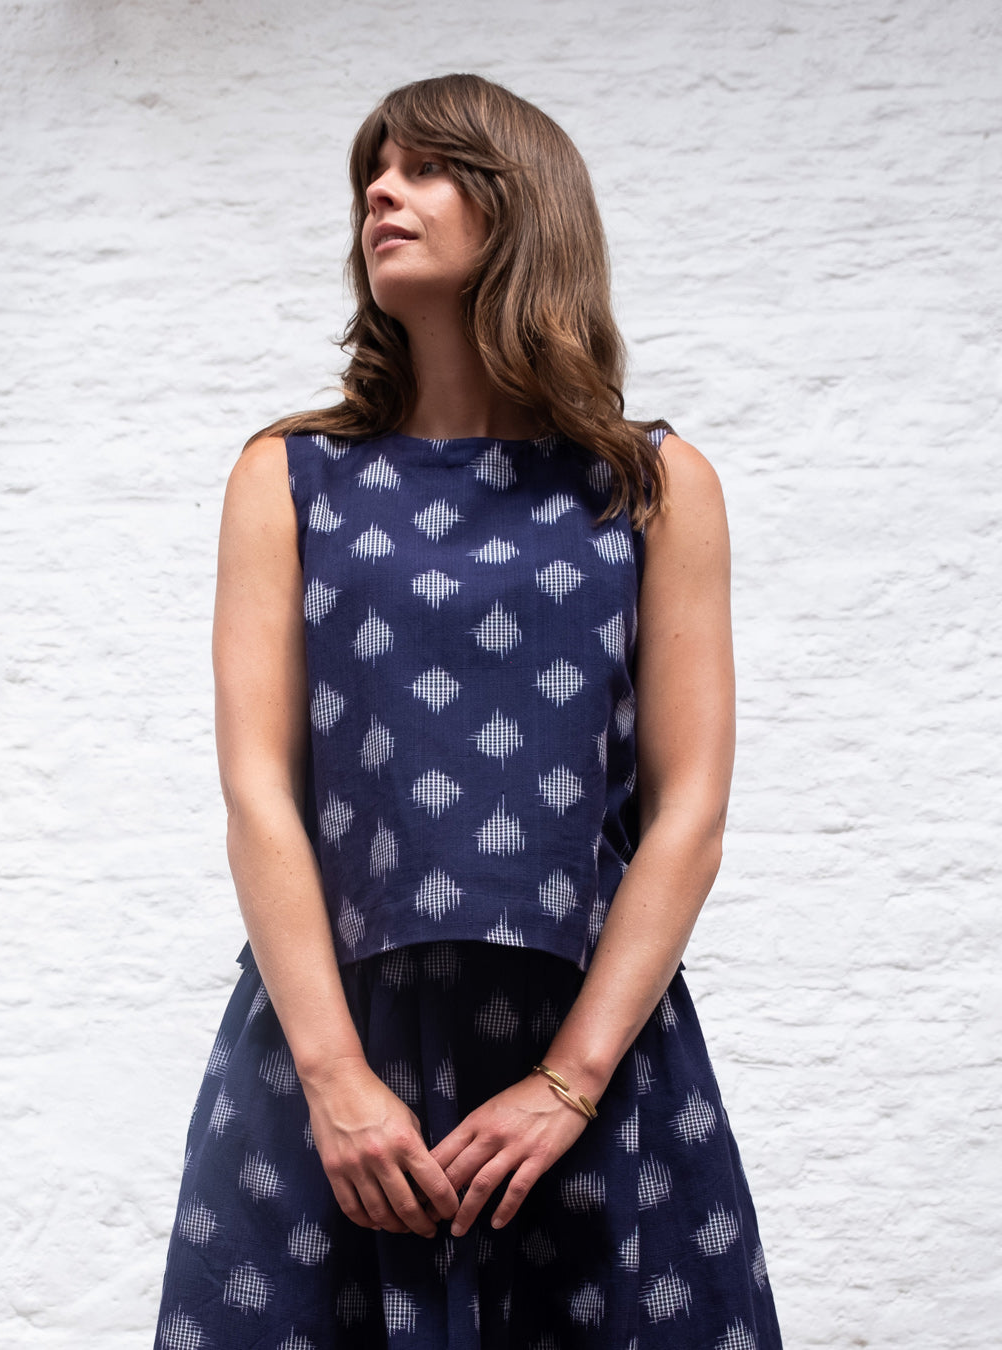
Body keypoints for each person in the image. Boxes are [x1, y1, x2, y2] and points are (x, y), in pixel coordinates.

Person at [154, 72, 782, 1350]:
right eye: (372, 175)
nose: (382, 193)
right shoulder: (289, 479)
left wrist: (570, 1084)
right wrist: (335, 1079)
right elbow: (259, 792)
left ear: (521, 202)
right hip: (333, 1054)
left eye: (425, 166)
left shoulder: (654, 488)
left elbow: (691, 814)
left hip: (592, 1057)